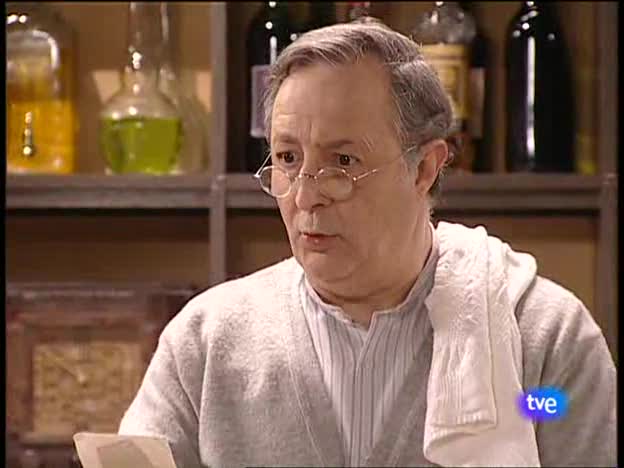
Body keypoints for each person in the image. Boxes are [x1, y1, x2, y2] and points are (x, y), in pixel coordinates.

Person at [118, 20, 616, 468]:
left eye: (343, 162)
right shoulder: (205, 342)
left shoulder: (545, 338)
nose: (306, 196)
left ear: (424, 168)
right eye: (287, 158)